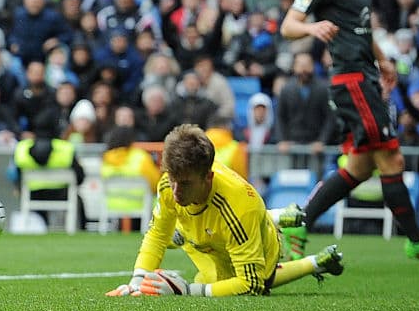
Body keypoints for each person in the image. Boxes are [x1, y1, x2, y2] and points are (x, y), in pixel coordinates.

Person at [279, 0, 419, 260]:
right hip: (350, 81)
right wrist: (312, 28)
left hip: (367, 76)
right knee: (391, 158)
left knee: (359, 167)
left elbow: (362, 26)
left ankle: (301, 220)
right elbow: (288, 25)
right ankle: (417, 241)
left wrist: (383, 59)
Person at [106, 124, 344, 298]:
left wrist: (186, 291)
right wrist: (137, 281)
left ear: (208, 178)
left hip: (255, 240)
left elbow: (251, 285)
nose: (175, 191)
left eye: (185, 183)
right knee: (173, 237)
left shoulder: (239, 206)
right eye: (172, 178)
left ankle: (274, 222)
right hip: (201, 236)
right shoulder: (171, 181)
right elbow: (156, 235)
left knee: (233, 281)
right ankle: (305, 250)